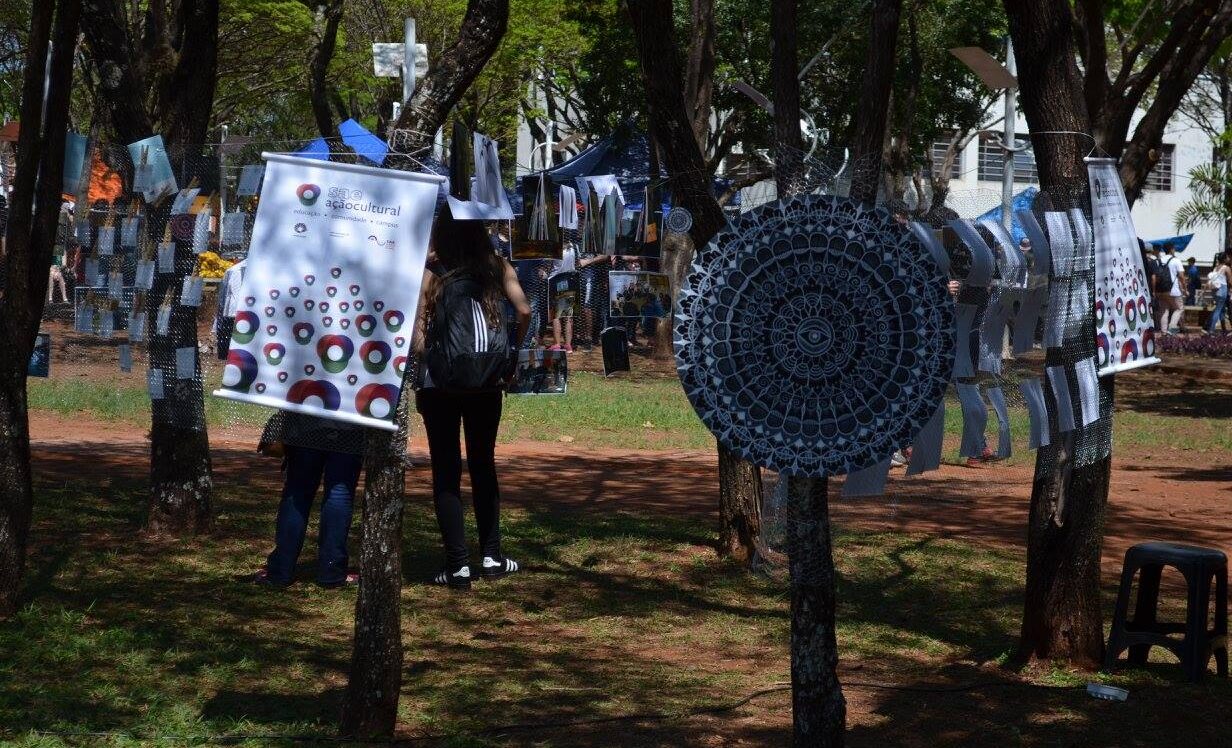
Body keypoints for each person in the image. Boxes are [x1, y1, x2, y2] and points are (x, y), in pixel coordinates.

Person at [415, 208, 532, 589]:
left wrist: (433, 355)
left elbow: (417, 337)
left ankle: (457, 566)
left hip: (440, 386)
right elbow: (525, 310)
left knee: (446, 471)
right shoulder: (497, 266)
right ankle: (493, 557)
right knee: (483, 464)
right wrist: (509, 354)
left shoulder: (431, 274)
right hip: (486, 384)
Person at [254, 413, 366, 588]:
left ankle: (279, 571)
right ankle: (332, 572)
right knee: (339, 493)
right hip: (351, 424)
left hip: (306, 421)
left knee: (298, 491)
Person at [1158, 242, 1187, 334]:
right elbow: (1181, 276)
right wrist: (1185, 289)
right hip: (1173, 290)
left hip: (1161, 289)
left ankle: (1163, 331)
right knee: (1179, 309)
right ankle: (1171, 328)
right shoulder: (1176, 260)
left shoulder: (1160, 260)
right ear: (1171, 249)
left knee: (1164, 310)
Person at [1208, 251, 1231, 334]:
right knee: (1218, 310)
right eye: (1227, 257)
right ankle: (1211, 329)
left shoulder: (1215, 268)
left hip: (1215, 290)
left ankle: (1223, 328)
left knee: (1220, 310)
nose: (1229, 258)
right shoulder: (1226, 268)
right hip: (1222, 289)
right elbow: (1230, 281)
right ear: (1224, 259)